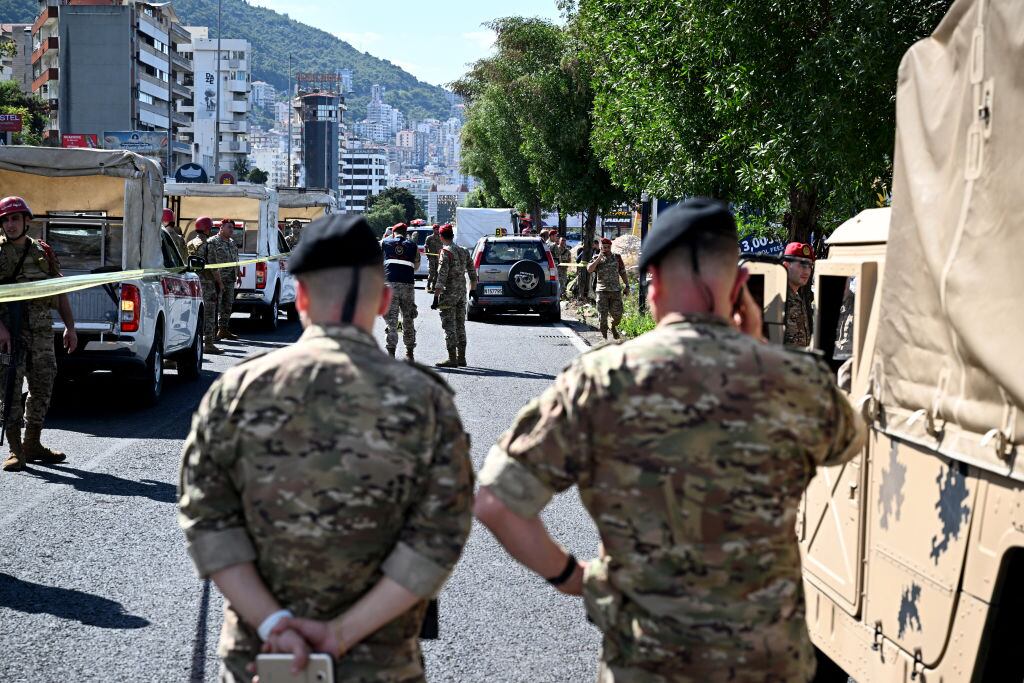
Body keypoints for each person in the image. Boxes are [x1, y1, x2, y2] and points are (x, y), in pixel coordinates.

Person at [474, 198, 867, 683]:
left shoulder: (600, 382)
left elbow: (495, 502)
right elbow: (850, 441)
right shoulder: (795, 382)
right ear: (740, 285)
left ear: (653, 282)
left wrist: (573, 578)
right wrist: (761, 351)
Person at [178, 214, 474, 683]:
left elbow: (208, 524)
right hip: (381, 660)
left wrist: (275, 624)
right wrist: (340, 634)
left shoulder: (238, 391)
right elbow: (437, 543)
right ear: (384, 301)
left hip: (264, 655)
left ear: (300, 298)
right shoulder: (426, 401)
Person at [0, 196, 77, 472]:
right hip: (10, 334)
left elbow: (59, 289)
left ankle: (32, 442)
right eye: (6, 220)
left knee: (42, 387)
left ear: (27, 221)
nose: (10, 225)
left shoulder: (43, 251)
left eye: (15, 218)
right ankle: (15, 449)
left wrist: (70, 326)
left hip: (43, 332)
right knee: (9, 390)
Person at [431, 224, 476, 368]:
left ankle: (452, 358)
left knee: (449, 326)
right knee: (460, 325)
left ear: (441, 237)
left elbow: (441, 277)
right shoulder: (463, 251)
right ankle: (461, 357)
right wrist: (473, 290)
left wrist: (435, 297)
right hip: (462, 293)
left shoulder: (446, 252)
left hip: (448, 294)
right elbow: (472, 273)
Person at [381, 222, 421, 360]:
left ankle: (391, 354)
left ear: (393, 232)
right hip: (407, 286)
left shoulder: (385, 243)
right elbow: (416, 266)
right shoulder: (412, 245)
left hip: (390, 285)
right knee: (407, 319)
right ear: (405, 233)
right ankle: (409, 353)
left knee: (392, 321)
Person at [186, 216, 222, 355]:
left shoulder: (190, 243)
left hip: (193, 283)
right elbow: (214, 267)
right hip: (207, 284)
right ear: (207, 229)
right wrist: (220, 283)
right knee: (209, 313)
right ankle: (209, 344)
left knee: (195, 313)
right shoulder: (208, 245)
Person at [587, 237, 629, 340]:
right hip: (602, 291)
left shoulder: (617, 257)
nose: (605, 249)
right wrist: (598, 258)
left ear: (610, 247)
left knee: (618, 315)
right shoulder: (597, 257)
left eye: (607, 247)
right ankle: (605, 339)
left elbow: (622, 272)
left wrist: (627, 285)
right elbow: (589, 269)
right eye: (603, 247)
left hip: (615, 291)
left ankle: (613, 326)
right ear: (601, 247)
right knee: (602, 317)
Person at [209, 219, 241, 341]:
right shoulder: (213, 242)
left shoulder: (232, 242)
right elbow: (211, 262)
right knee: (216, 305)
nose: (231, 230)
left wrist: (238, 273)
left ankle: (223, 330)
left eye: (233, 228)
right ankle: (212, 333)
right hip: (218, 279)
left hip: (230, 279)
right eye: (229, 227)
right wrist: (218, 280)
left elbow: (236, 258)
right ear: (221, 228)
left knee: (228, 305)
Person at [782, 242, 815, 348]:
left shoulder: (797, 297)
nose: (806, 271)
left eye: (809, 265)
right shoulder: (779, 296)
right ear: (786, 265)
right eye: (802, 264)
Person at [424, 224, 443, 294]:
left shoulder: (441, 238)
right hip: (431, 257)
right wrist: (428, 256)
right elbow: (425, 247)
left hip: (438, 258)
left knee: (437, 273)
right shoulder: (429, 238)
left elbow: (443, 247)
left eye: (438, 229)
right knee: (432, 272)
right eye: (436, 229)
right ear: (433, 230)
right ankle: (428, 286)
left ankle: (434, 286)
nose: (437, 230)